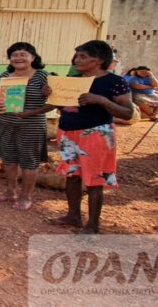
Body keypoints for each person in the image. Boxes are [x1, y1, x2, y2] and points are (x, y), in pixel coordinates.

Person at [52, 40, 133, 234]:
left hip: (96, 134)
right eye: (77, 55)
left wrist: (101, 100)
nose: (76, 60)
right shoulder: (74, 79)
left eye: (82, 56)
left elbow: (127, 113)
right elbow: (65, 107)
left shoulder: (114, 82)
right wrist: (54, 97)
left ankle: (93, 225)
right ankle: (73, 215)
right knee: (72, 175)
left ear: (98, 60)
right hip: (69, 133)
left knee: (95, 179)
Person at [0, 42, 51, 211]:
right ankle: (11, 192)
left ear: (33, 57)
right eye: (14, 55)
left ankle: (26, 196)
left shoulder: (42, 77)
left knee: (29, 162)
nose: (18, 58)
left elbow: (55, 102)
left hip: (31, 126)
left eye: (23, 54)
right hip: (6, 124)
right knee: (8, 160)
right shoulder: (5, 75)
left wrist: (33, 112)